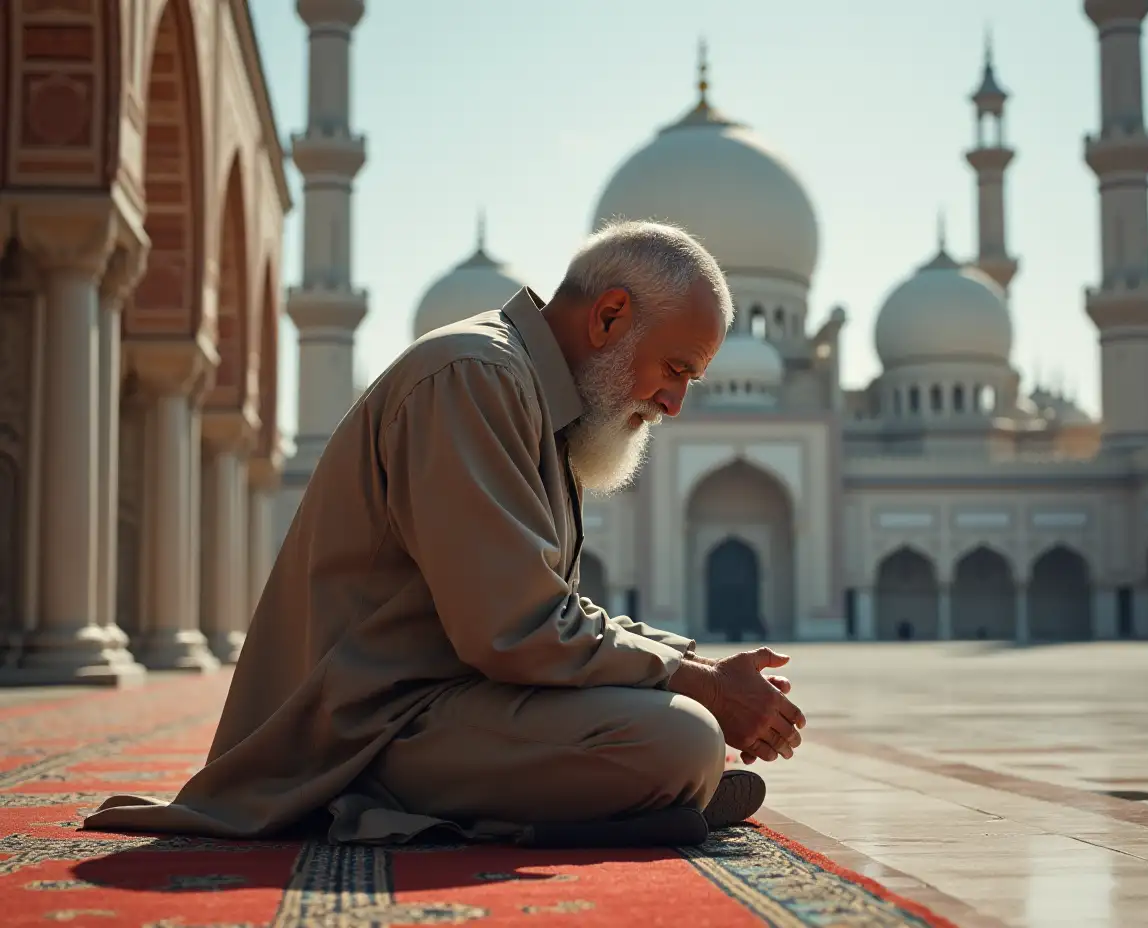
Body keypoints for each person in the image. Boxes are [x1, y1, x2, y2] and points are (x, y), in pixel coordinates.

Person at [84, 221, 806, 848]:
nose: (675, 403)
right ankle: (411, 808)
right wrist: (701, 689)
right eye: (675, 369)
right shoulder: (475, 378)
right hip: (365, 729)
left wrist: (694, 666)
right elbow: (517, 630)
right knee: (678, 738)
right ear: (610, 316)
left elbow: (545, 611)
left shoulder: (547, 408)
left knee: (676, 722)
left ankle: (638, 800)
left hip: (450, 701)